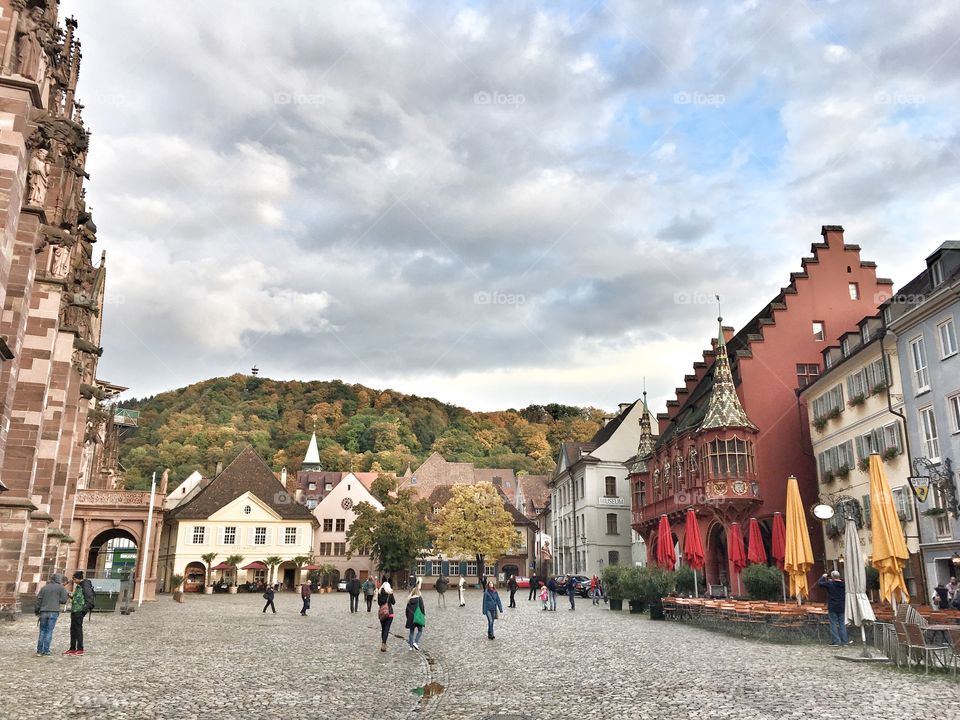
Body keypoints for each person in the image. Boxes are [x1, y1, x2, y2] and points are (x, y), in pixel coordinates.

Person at [35, 574, 69, 657]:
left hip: (43, 611)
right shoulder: (61, 588)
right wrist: (57, 599)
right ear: (59, 580)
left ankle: (39, 651)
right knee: (49, 631)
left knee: (42, 630)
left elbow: (39, 600)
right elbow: (64, 600)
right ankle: (46, 650)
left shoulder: (44, 588)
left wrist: (37, 610)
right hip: (53, 611)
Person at [65, 570, 95, 656]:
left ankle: (80, 648)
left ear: (78, 579)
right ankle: (72, 648)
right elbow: (77, 597)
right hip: (75, 610)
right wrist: (70, 596)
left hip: (79, 610)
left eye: (74, 579)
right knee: (73, 629)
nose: (73, 581)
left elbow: (89, 598)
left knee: (78, 629)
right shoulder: (79, 586)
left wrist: (83, 609)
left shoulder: (85, 586)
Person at [817, 571, 851, 646]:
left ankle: (836, 641)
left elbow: (819, 583)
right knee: (842, 623)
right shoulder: (844, 584)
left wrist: (823, 576)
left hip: (832, 606)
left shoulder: (830, 584)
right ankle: (844, 641)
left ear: (832, 577)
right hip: (842, 606)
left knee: (833, 623)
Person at [405, 582, 426, 650]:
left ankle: (410, 647)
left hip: (411, 618)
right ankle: (415, 642)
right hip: (418, 617)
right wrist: (424, 615)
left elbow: (407, 610)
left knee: (411, 632)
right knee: (420, 631)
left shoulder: (409, 600)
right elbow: (422, 608)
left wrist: (408, 617)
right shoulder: (419, 598)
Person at [377, 578, 396, 652]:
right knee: (386, 629)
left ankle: (383, 643)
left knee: (383, 628)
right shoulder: (390, 593)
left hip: (382, 613)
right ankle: (384, 643)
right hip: (389, 613)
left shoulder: (379, 593)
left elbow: (379, 603)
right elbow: (394, 602)